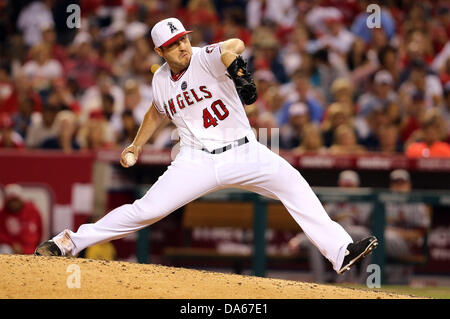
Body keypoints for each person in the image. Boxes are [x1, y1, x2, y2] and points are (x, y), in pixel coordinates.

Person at [35, 18, 377, 276]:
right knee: (144, 211)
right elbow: (157, 112)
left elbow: (235, 44)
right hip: (195, 159)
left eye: (183, 39)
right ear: (160, 52)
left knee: (295, 186)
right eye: (173, 44)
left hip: (245, 152)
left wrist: (236, 69)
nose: (182, 46)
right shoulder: (159, 81)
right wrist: (136, 145)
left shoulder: (204, 57)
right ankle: (68, 242)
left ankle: (341, 250)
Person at [288, 170, 372, 283]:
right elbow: (318, 224)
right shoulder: (334, 203)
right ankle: (320, 283)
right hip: (336, 237)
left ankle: (361, 282)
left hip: (357, 236)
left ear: (356, 186)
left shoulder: (365, 202)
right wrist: (299, 238)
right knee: (315, 243)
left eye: (349, 185)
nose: (346, 189)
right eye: (344, 185)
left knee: (369, 240)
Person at [0, 184, 43, 254]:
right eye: (11, 201)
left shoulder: (32, 211)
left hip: (31, 250)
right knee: (4, 249)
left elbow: (39, 231)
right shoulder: (3, 214)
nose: (14, 204)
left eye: (16, 200)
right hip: (11, 250)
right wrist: (12, 243)